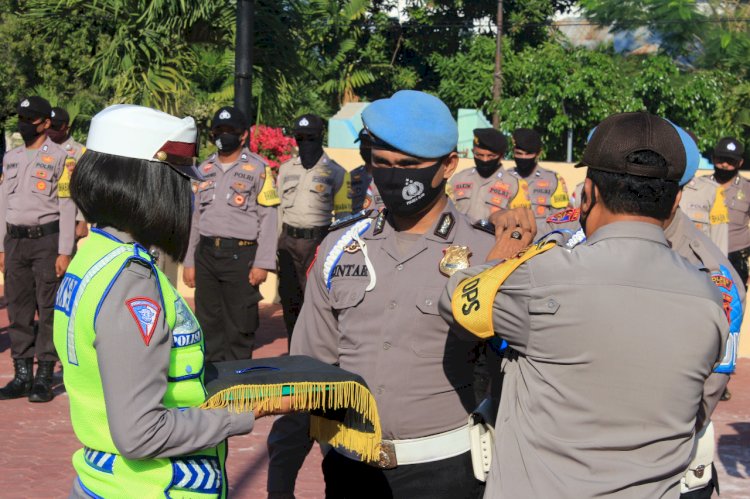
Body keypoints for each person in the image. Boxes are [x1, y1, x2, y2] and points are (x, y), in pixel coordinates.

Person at [440, 111, 729, 498]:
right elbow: (701, 406)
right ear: (676, 200)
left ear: (587, 193)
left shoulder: (542, 275)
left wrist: (501, 256)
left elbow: (458, 300)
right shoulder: (712, 294)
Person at [53, 104, 293, 498]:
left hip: (106, 480)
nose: (189, 192)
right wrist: (242, 415)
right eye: (180, 178)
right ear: (147, 181)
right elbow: (141, 433)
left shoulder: (95, 254)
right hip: (149, 486)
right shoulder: (132, 281)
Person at [267, 90, 495, 499]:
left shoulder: (487, 253)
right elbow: (308, 369)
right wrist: (281, 477)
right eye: (382, 164)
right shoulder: (340, 246)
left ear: (448, 165)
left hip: (446, 473)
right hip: (351, 470)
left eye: (408, 166)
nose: (392, 177)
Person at [181, 106, 279, 362]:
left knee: (239, 324)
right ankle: (214, 385)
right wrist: (189, 261)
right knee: (207, 322)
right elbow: (196, 218)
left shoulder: (259, 169)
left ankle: (238, 388)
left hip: (241, 255)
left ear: (243, 135)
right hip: (206, 254)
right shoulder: (203, 169)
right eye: (219, 130)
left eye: (230, 131)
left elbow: (269, 218)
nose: (224, 135)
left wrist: (263, 263)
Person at [0, 96, 76, 403]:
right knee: (18, 309)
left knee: (48, 310)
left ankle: (44, 376)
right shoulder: (12, 157)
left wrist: (65, 250)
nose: (23, 124)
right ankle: (22, 375)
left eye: (29, 119)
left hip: (46, 240)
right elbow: (3, 201)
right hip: (15, 241)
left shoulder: (61, 158)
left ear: (45, 123)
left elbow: (67, 204)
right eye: (20, 117)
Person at [276, 114, 351, 343]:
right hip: (287, 241)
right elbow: (278, 211)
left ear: (320, 137)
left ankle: (314, 352)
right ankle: (293, 350)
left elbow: (344, 217)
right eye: (299, 137)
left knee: (316, 303)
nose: (304, 142)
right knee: (290, 301)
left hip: (317, 243)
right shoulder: (285, 169)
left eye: (310, 137)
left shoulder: (337, 172)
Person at [447, 128, 530, 222]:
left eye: (491, 156)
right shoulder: (459, 178)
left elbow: (522, 221)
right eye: (479, 155)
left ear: (501, 155)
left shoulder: (515, 185)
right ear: (473, 151)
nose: (485, 160)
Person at [711, 137, 750, 284]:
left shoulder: (748, 189)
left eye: (730, 161)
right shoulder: (699, 187)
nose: (725, 165)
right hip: (704, 256)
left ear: (740, 163)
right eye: (721, 160)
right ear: (713, 159)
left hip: (737, 258)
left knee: (735, 304)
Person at [48, 106, 89, 241]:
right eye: (48, 125)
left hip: (68, 217)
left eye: (55, 127)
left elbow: (86, 188)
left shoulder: (80, 152)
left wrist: (83, 221)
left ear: (66, 127)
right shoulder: (39, 149)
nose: (50, 130)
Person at [510, 127, 569, 220]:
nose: (523, 157)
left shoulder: (553, 180)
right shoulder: (503, 179)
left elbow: (562, 218)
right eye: (519, 153)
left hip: (543, 234)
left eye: (528, 154)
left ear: (539, 154)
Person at [350, 128, 384, 213]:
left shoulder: (388, 176)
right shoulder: (351, 176)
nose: (364, 147)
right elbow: (344, 210)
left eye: (368, 143)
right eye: (362, 143)